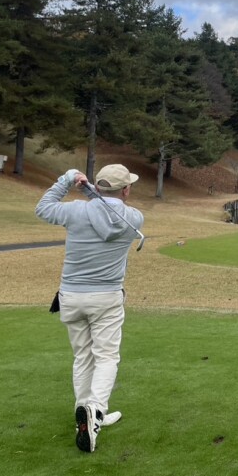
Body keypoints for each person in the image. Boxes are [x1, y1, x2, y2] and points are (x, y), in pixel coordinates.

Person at [36, 163, 144, 453]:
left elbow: (43, 207)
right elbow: (107, 213)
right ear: (126, 189)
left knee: (83, 356)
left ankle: (84, 412)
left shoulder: (75, 210)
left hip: (71, 295)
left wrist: (69, 178)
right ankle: (95, 411)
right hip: (106, 297)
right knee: (106, 356)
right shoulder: (134, 217)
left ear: (98, 187)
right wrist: (92, 192)